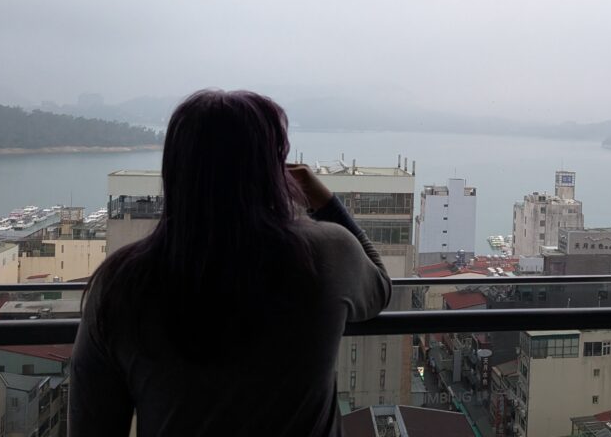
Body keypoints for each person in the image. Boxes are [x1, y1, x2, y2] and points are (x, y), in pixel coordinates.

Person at [70, 89, 391, 436]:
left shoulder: (121, 284)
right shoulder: (328, 253)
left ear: (175, 170)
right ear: (273, 171)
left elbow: (91, 425)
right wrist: (324, 200)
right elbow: (380, 287)